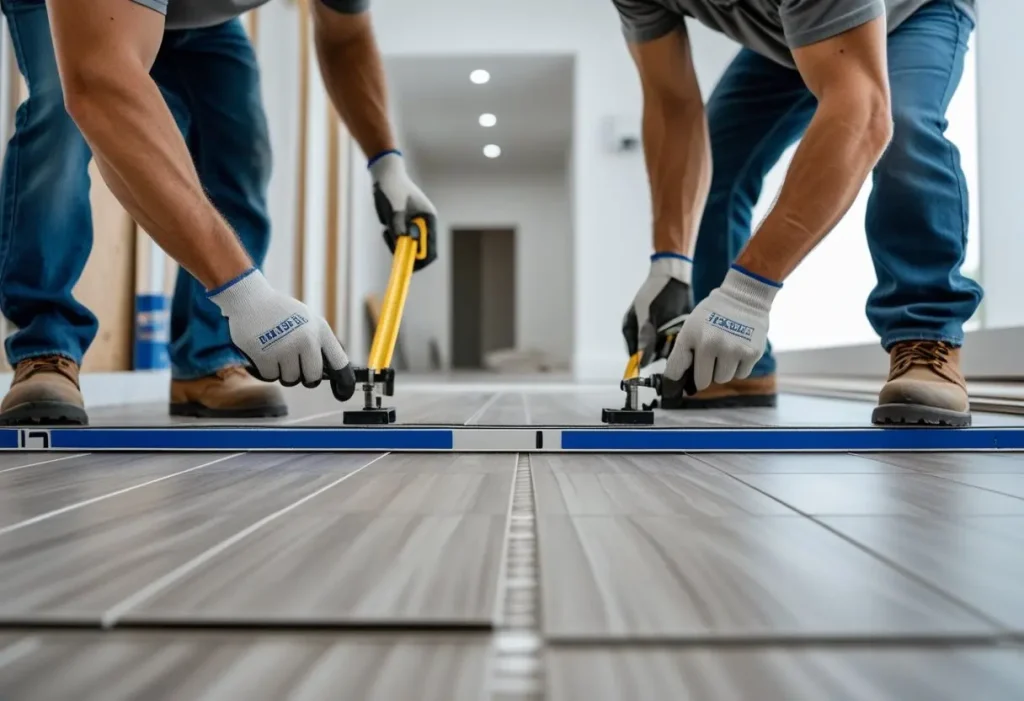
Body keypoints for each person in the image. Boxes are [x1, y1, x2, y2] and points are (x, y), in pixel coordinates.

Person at [0, 0, 435, 425]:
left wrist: (387, 165)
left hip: (199, 19)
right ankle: (45, 350)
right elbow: (98, 83)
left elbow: (346, 38)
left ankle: (207, 360)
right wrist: (245, 294)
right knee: (61, 112)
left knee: (240, 152)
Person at [618, 0, 979, 427]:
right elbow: (672, 106)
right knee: (719, 161)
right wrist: (670, 262)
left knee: (903, 126)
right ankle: (731, 361)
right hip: (798, 30)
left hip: (914, 10)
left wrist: (748, 293)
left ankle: (925, 340)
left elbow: (864, 115)